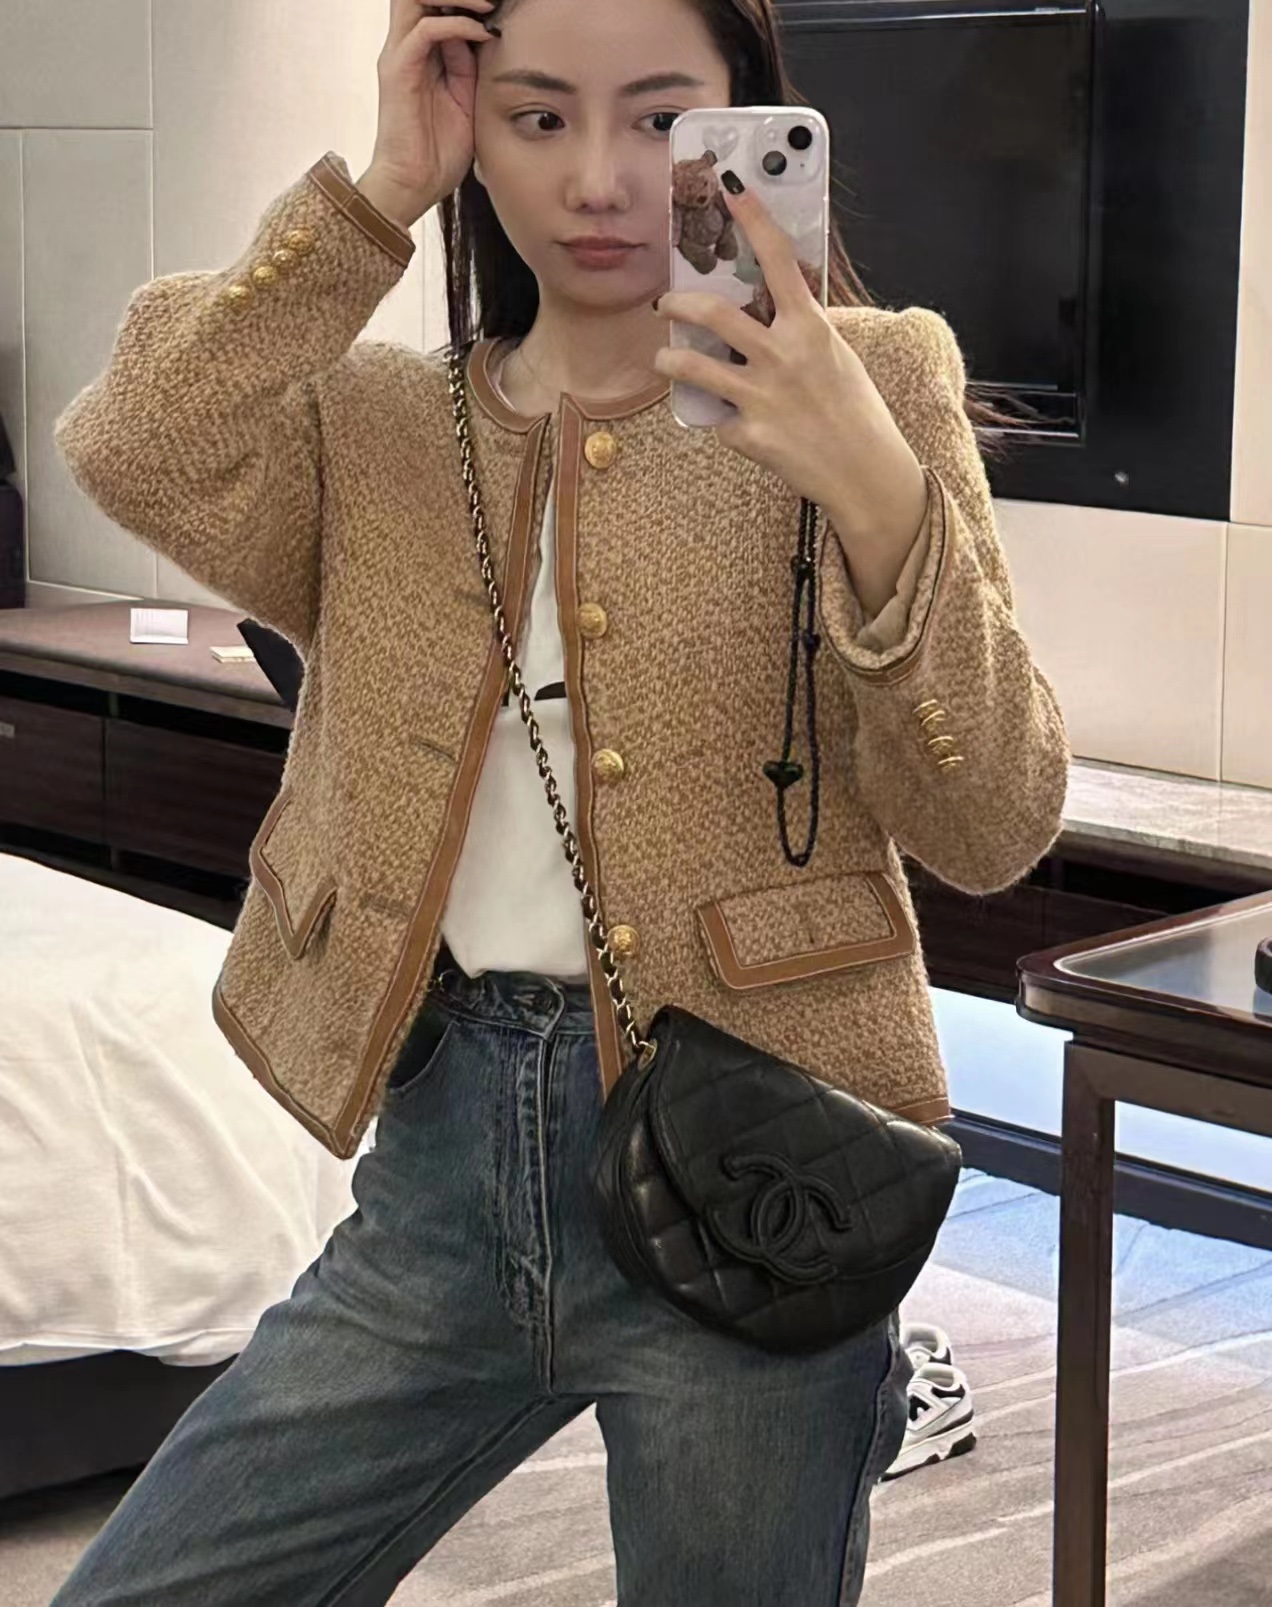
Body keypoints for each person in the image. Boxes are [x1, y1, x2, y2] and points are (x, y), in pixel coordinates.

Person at [49, 0, 1069, 1601]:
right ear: (470, 125)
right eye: (536, 118)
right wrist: (380, 190)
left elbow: (996, 823)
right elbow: (139, 439)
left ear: (744, 118)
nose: (597, 178)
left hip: (757, 1177)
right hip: (441, 1181)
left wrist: (876, 488)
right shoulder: (376, 426)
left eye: (659, 118)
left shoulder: (875, 385)